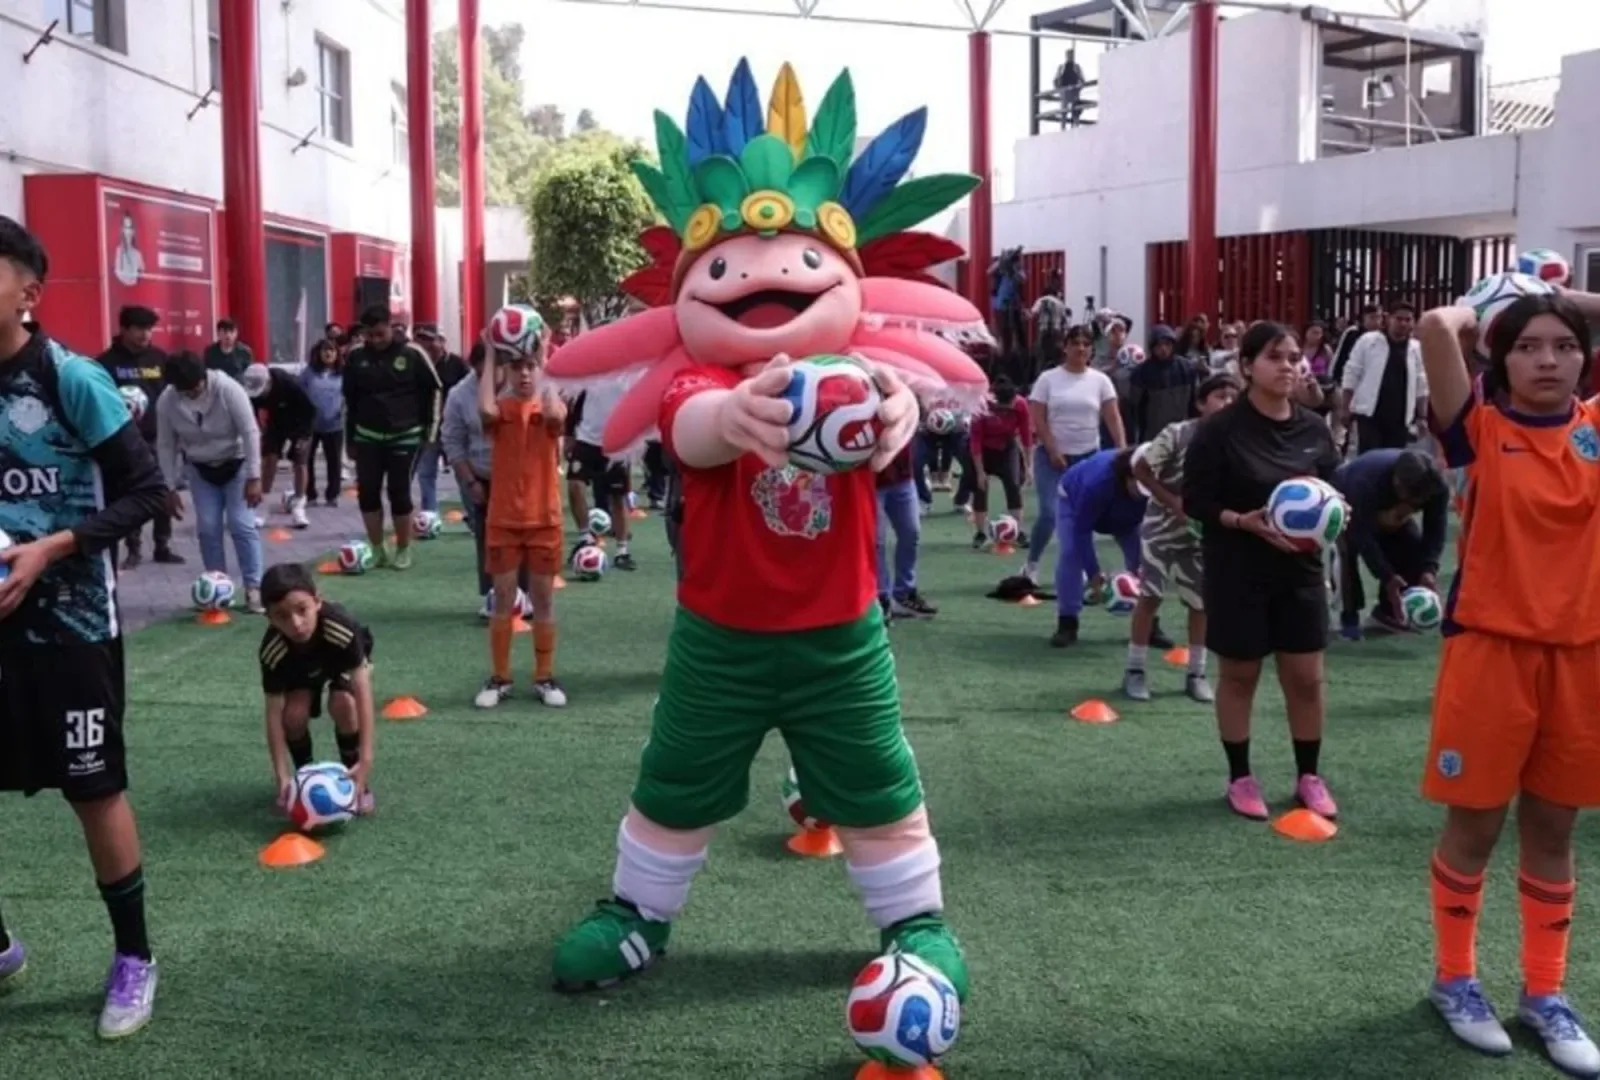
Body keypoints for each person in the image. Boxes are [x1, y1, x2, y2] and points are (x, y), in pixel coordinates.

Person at [1416, 287, 1600, 1073]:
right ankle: (1454, 979)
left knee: (1555, 830)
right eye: (1529, 346)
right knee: (1477, 827)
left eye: (1564, 344)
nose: (1548, 359)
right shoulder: (1478, 433)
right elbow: (1433, 328)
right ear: (1501, 358)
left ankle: (1544, 994)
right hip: (1490, 654)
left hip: (1582, 656)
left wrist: (1563, 296)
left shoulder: (1595, 430)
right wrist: (1492, 302)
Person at [0, 215, 169, 1038]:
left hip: (71, 626)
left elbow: (149, 493)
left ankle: (134, 957)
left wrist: (50, 550)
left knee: (93, 789)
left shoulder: (70, 379)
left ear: (28, 292)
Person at [1183, 320, 1341, 823]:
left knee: (1307, 679)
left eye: (1295, 357)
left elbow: (1333, 489)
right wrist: (1241, 521)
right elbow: (1196, 502)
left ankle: (1309, 777)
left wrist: (1338, 513)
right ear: (1247, 366)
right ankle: (1241, 777)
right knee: (1240, 675)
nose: (1289, 366)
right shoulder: (1218, 431)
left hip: (1301, 572)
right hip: (1237, 570)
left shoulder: (1314, 429)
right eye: (1276, 357)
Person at [1123, 373, 1242, 701]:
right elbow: (1142, 469)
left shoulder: (1236, 441)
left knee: (1201, 603)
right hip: (1160, 529)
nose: (1227, 402)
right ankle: (1135, 670)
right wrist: (1173, 501)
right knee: (1150, 597)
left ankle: (1196, 673)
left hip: (1201, 533)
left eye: (1233, 397)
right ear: (1201, 403)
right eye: (1220, 396)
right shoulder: (1177, 433)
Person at [473, 320, 568, 710]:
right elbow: (483, 408)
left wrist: (544, 354)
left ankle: (544, 677)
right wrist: (493, 349)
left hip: (544, 520)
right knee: (504, 600)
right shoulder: (501, 410)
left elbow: (555, 411)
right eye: (517, 367)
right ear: (506, 371)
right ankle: (500, 678)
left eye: (530, 366)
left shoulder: (549, 407)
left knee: (543, 600)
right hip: (504, 521)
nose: (525, 373)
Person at [258, 563, 376, 816]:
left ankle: (355, 776)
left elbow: (363, 689)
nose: (296, 624)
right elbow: (273, 714)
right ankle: (304, 779)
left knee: (344, 703)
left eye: (302, 610)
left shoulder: (341, 629)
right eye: (282, 616)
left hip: (339, 660)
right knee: (293, 715)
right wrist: (281, 775)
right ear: (269, 618)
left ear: (317, 602)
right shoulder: (273, 651)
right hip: (301, 667)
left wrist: (366, 758)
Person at [154, 352, 265, 611]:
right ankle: (218, 587)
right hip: (200, 468)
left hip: (236, 464)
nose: (192, 395)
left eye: (195, 389)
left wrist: (254, 475)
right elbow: (166, 444)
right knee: (208, 528)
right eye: (185, 392)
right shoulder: (167, 401)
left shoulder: (228, 389)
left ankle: (253, 587)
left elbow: (250, 432)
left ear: (204, 376)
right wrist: (168, 487)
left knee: (241, 524)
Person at [342, 305, 441, 570]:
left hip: (405, 435)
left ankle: (403, 548)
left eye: (379, 334)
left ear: (391, 326)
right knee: (368, 494)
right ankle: (377, 549)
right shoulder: (355, 357)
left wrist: (430, 432)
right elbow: (348, 400)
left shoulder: (413, 353)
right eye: (369, 335)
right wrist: (349, 439)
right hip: (367, 436)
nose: (374, 340)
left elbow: (435, 391)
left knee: (399, 492)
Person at [1025, 325, 1123, 582]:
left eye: (1085, 344)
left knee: (1084, 516)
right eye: (1075, 343)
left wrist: (1122, 452)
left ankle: (1082, 567)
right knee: (1049, 513)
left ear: (1091, 349)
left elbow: (1113, 418)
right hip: (1052, 458)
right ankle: (1031, 564)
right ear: (1065, 347)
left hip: (1088, 457)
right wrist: (1053, 449)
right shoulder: (1048, 379)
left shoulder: (1100, 380)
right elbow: (1038, 419)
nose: (1080, 348)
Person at [442, 344, 530, 616]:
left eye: (494, 370)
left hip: (517, 478)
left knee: (523, 535)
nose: (488, 378)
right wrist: (470, 482)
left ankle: (524, 594)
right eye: (481, 372)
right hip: (480, 474)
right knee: (488, 535)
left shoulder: (519, 388)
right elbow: (453, 441)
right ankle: (492, 593)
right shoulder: (459, 395)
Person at [97, 305, 181, 569]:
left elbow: (173, 394)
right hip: (124, 440)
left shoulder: (159, 359)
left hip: (158, 436)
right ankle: (133, 548)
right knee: (131, 494)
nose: (146, 335)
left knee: (162, 488)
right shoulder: (106, 363)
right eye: (140, 329)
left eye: (149, 329)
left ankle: (163, 545)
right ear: (124, 329)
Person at [1334, 447, 1448, 638]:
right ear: (1397, 482)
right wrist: (1386, 576)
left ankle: (1387, 613)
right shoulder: (1363, 484)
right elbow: (1363, 537)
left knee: (1413, 551)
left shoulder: (1436, 487)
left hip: (1387, 506)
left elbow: (1435, 528)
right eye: (1411, 498)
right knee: (1347, 553)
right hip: (1346, 500)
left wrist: (1429, 568)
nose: (1416, 503)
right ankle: (1349, 617)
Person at [1049, 448, 1146, 648]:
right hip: (1072, 500)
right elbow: (1082, 532)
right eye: (1140, 487)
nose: (1143, 494)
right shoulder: (1097, 484)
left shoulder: (1158, 484)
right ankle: (1067, 622)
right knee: (1070, 554)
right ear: (1127, 476)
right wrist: (1093, 573)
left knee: (1146, 561)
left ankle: (1149, 625)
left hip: (1126, 517)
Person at [566, 380, 637, 571]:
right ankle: (585, 537)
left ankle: (622, 551)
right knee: (574, 485)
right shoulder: (593, 366)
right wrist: (569, 435)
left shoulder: (631, 373)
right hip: (586, 438)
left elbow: (637, 405)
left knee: (618, 497)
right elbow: (577, 400)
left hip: (616, 442)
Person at [1340, 300, 1427, 452]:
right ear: (1388, 319)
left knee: (1392, 464)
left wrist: (1422, 417)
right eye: (1399, 319)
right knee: (1368, 461)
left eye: (1408, 320)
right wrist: (1345, 407)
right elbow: (1352, 373)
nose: (1403, 323)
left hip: (1400, 418)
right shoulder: (1368, 341)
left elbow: (1421, 384)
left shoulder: (1416, 349)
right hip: (1369, 415)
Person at [240, 364, 314, 530]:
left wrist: (303, 437)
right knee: (269, 459)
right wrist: (257, 430)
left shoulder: (289, 384)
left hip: (299, 421)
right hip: (275, 423)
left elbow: (310, 411)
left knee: (300, 461)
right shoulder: (253, 393)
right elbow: (250, 413)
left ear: (269, 382)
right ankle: (262, 506)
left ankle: (298, 506)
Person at [410, 323, 468, 515]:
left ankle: (472, 512)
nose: (425, 345)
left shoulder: (456, 364)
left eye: (429, 339)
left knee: (463, 472)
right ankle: (430, 514)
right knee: (426, 473)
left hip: (454, 427)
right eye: (420, 340)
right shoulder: (414, 363)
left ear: (441, 342)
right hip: (427, 427)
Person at [966, 376, 1030, 549]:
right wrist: (980, 472)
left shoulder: (1020, 405)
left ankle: (1018, 531)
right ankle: (980, 533)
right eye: (1003, 407)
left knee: (1014, 485)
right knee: (980, 488)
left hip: (1007, 448)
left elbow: (1025, 436)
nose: (1007, 410)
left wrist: (1029, 466)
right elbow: (975, 440)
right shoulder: (981, 406)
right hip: (984, 450)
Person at [876, 443, 935, 620]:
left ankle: (904, 594)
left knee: (911, 532)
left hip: (902, 477)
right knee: (875, 542)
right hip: (869, 480)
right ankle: (881, 597)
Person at [1126, 324, 1200, 443]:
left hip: (1181, 434)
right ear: (1152, 347)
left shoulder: (1187, 368)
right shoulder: (1141, 373)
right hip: (1152, 437)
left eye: (1167, 344)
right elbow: (1134, 409)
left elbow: (1195, 403)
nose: (1163, 349)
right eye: (1159, 345)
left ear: (1173, 345)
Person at [300, 339, 345, 506]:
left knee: (334, 461)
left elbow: (349, 395)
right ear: (318, 353)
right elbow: (300, 394)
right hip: (311, 425)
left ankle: (332, 495)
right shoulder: (308, 373)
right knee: (307, 460)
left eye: (332, 350)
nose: (328, 353)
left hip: (334, 424)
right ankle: (310, 494)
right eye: (325, 350)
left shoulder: (342, 373)